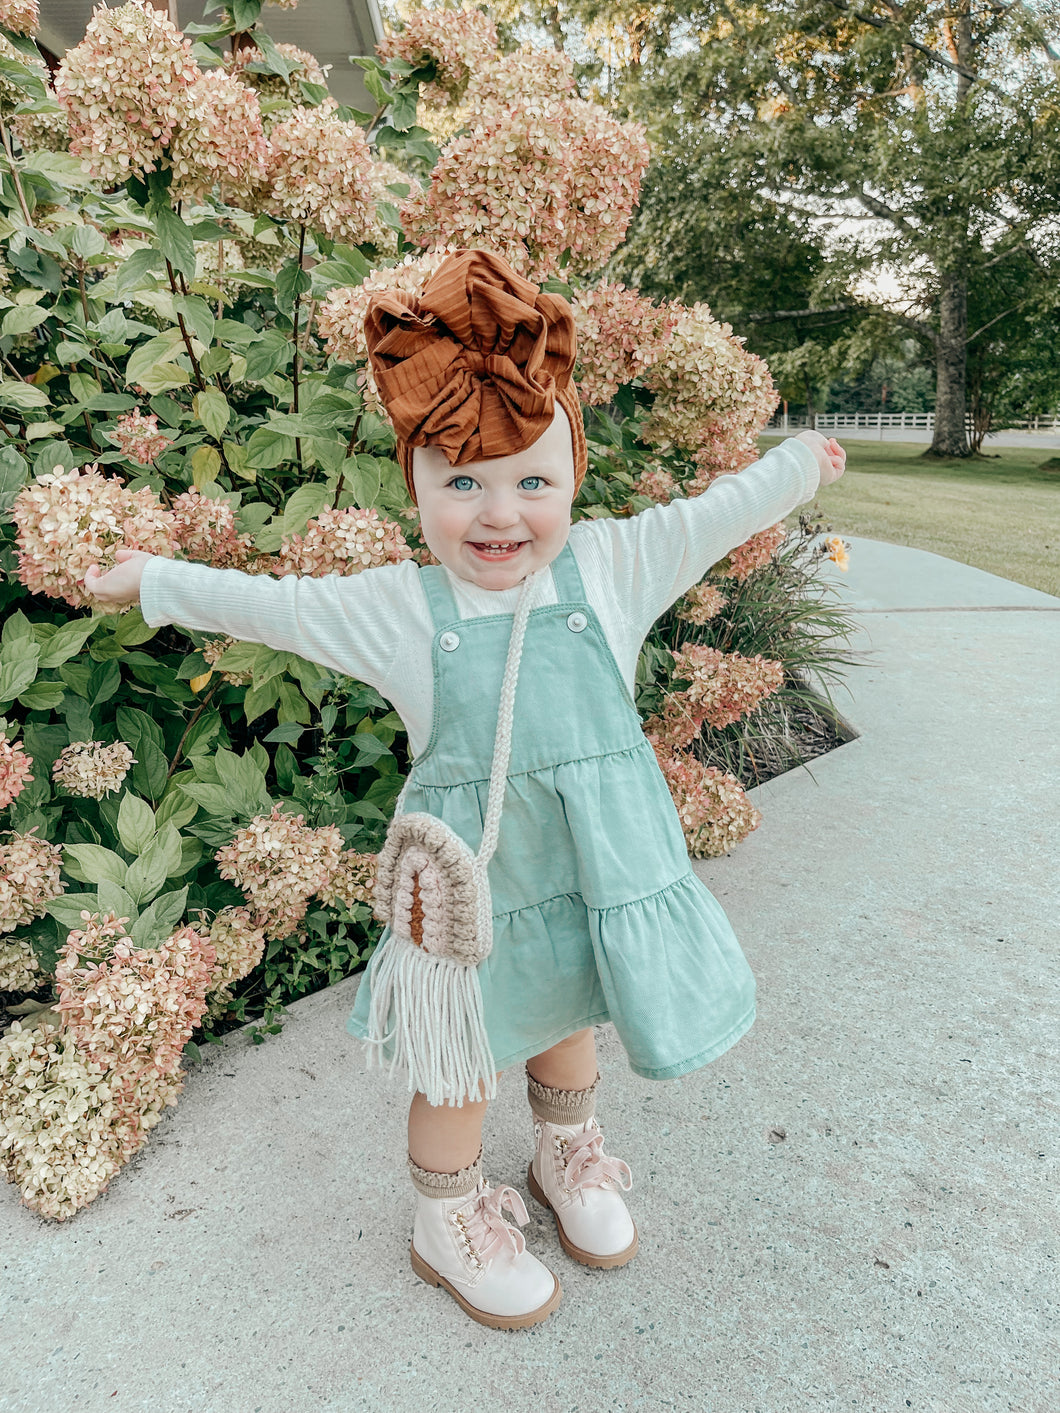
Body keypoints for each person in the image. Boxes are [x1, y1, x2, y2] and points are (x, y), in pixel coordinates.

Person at [83, 248, 846, 1331]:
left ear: (571, 479)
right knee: (458, 1068)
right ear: (418, 489)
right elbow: (276, 607)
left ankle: (566, 1158)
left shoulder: (612, 570)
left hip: (586, 874)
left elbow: (717, 513)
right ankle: (444, 1224)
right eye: (462, 483)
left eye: (532, 481)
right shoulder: (401, 610)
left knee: (572, 1014)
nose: (499, 514)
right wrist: (154, 580)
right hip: (470, 900)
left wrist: (800, 465)